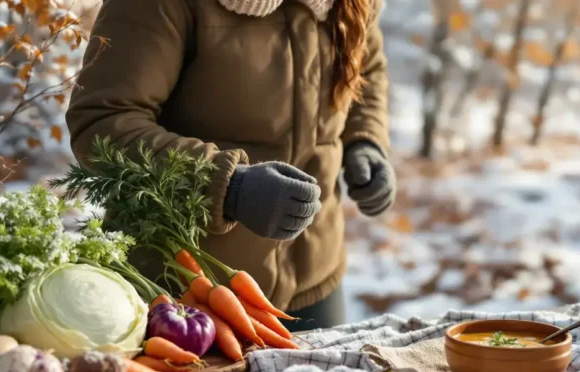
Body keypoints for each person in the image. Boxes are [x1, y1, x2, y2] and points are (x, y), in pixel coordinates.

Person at [65, 0, 395, 332]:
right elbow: (103, 122)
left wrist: (366, 141)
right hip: (183, 291)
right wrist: (227, 186)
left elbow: (366, 67)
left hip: (315, 277)